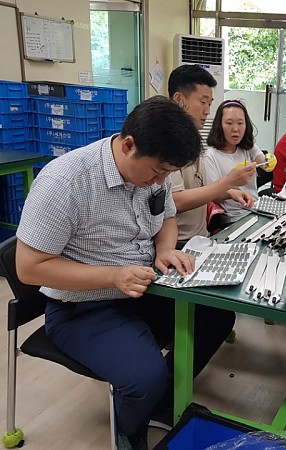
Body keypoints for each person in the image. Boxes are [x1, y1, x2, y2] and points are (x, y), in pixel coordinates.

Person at [15, 96, 236, 450]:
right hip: (82, 308)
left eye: (168, 173)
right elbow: (29, 268)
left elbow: (166, 216)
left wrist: (165, 249)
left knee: (217, 316)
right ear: (129, 145)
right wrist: (113, 276)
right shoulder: (65, 181)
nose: (161, 181)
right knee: (144, 378)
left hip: (143, 287)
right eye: (157, 172)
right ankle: (130, 428)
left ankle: (161, 404)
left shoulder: (155, 172)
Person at [168, 65, 256, 245]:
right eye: (203, 102)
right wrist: (229, 182)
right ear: (179, 99)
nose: (207, 111)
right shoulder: (167, 141)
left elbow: (204, 191)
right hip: (178, 242)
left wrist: (231, 193)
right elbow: (176, 201)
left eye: (209, 103)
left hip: (201, 237)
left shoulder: (193, 138)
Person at [204, 100, 267, 225]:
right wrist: (232, 193)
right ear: (219, 125)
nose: (235, 129)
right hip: (233, 219)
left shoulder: (247, 148)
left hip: (256, 211)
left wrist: (268, 161)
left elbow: (264, 162)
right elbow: (212, 194)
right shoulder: (210, 156)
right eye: (229, 123)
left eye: (240, 123)